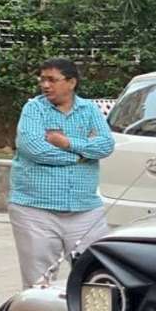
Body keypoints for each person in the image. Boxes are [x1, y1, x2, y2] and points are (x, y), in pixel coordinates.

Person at [8, 58, 115, 289]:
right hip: (36, 210)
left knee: (98, 277)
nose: (45, 85)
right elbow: (35, 149)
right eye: (42, 80)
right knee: (39, 283)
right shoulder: (33, 109)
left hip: (85, 209)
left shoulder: (89, 110)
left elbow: (105, 145)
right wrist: (80, 155)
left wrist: (66, 143)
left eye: (52, 80)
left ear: (71, 82)